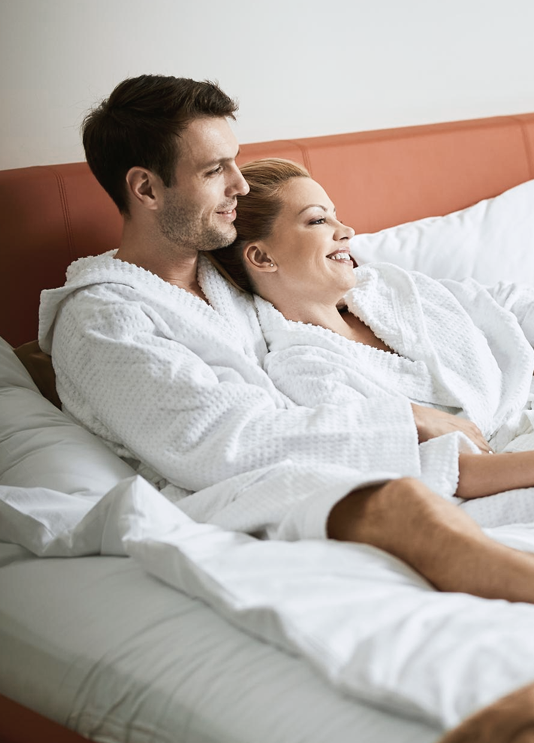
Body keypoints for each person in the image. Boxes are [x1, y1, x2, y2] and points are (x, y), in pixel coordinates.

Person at [37, 75, 534, 605]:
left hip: (322, 461)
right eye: (214, 170)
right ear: (147, 189)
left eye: (234, 162)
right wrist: (408, 418)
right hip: (230, 492)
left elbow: (338, 292)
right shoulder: (103, 319)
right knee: (397, 503)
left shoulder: (224, 276)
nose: (240, 185)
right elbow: (220, 445)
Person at [211, 157, 534, 520]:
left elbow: (498, 308)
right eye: (318, 220)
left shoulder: (387, 287)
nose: (346, 230)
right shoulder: (304, 367)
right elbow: (440, 469)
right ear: (261, 256)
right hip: (507, 467)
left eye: (336, 216)